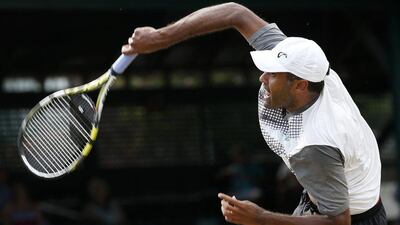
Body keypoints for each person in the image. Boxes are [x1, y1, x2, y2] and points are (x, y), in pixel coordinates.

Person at [121, 2, 386, 225]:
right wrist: (160, 38)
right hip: (325, 199)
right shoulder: (308, 65)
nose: (262, 77)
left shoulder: (315, 143)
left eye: (272, 74)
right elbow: (235, 13)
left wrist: (261, 217)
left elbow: (340, 221)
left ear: (300, 85)